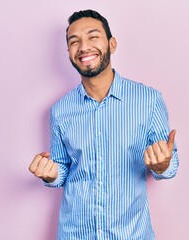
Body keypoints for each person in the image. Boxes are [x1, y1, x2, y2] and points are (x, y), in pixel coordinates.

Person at [29, 9, 179, 239]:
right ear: (69, 52)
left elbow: (170, 165)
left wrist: (162, 165)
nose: (84, 47)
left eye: (93, 36)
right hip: (75, 234)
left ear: (112, 44)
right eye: (74, 41)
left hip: (131, 234)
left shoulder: (148, 100)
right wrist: (50, 175)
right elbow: (61, 170)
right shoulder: (60, 111)